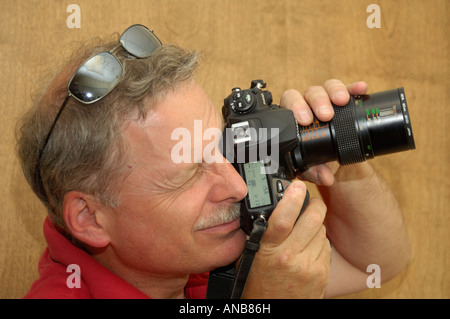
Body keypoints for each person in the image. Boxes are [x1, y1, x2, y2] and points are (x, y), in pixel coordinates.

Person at [16, 25, 411, 299]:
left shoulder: (196, 252)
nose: (237, 186)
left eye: (221, 146)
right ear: (89, 217)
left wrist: (341, 155)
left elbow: (374, 265)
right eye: (188, 175)